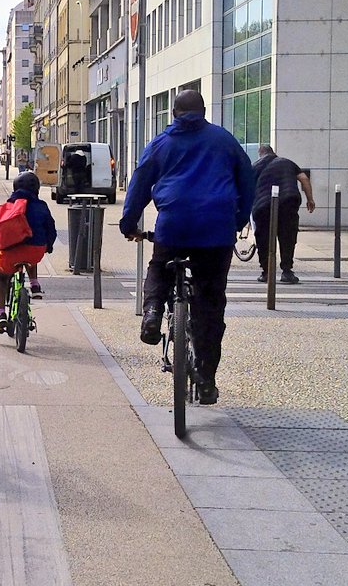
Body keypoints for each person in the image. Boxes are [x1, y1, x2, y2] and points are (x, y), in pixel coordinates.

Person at [119, 90, 255, 404]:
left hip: (175, 224)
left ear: (174, 113)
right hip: (216, 229)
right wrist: (238, 219)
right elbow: (247, 179)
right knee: (210, 304)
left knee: (159, 268)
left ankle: (153, 311)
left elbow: (140, 182)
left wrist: (129, 225)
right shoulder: (224, 141)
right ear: (204, 111)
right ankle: (206, 379)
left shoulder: (160, 143)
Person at [0, 170, 57, 332]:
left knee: (0, 277)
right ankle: (34, 284)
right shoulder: (42, 206)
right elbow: (51, 229)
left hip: (10, 254)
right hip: (36, 251)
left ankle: (0, 315)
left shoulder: (7, 207)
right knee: (31, 253)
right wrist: (49, 246)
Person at [251, 145, 315, 284]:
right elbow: (304, 179)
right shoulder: (287, 162)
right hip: (288, 201)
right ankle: (287, 271)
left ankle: (266, 272)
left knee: (264, 238)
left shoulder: (255, 166)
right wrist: (310, 199)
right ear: (274, 153)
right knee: (288, 237)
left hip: (263, 206)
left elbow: (246, 187)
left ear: (260, 154)